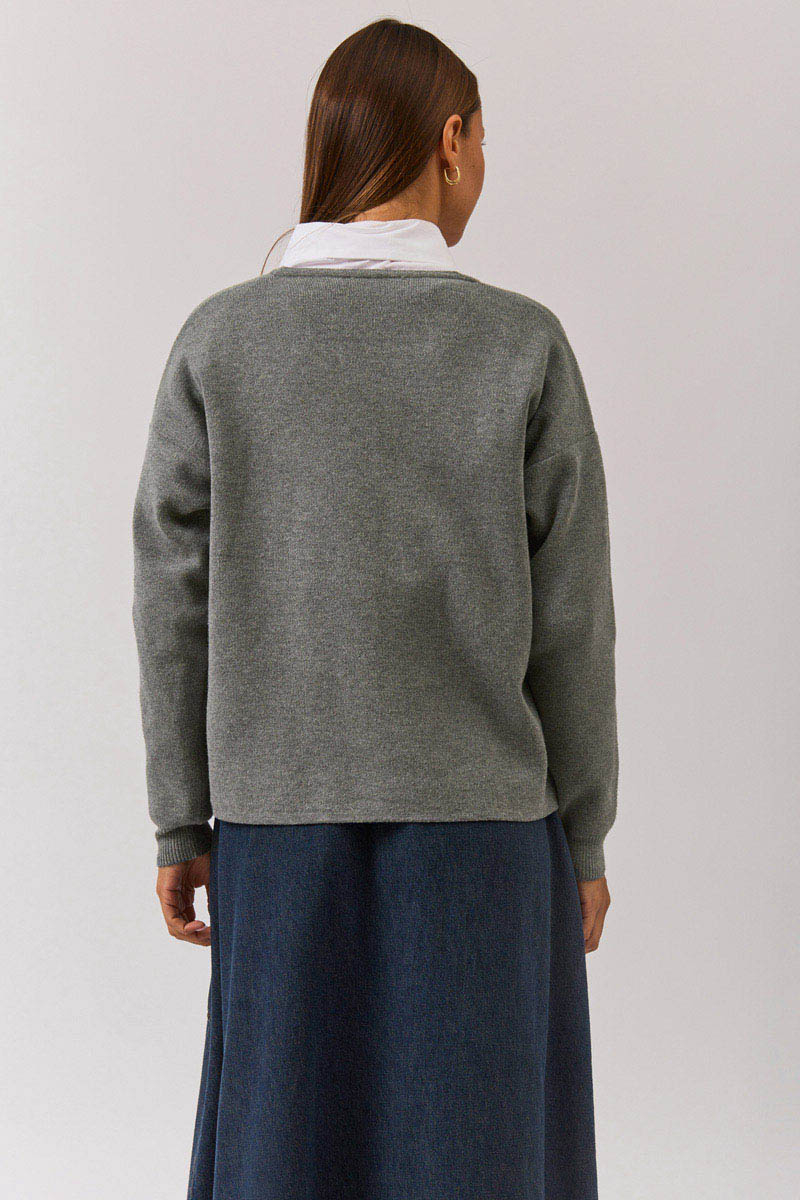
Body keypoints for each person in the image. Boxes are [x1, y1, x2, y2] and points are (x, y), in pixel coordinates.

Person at [133, 17, 617, 1200]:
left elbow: (170, 595)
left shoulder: (219, 343)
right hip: (486, 841)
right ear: (449, 140)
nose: (481, 167)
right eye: (482, 142)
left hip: (274, 832)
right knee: (477, 1160)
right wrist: (585, 836)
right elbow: (572, 620)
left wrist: (180, 819)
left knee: (283, 1159)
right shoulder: (519, 345)